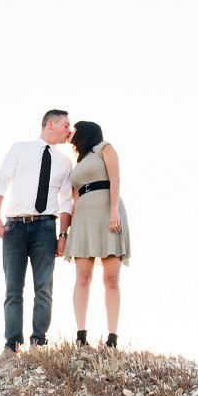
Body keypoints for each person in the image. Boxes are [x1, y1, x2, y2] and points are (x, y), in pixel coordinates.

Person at [0, 109, 74, 354]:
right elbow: (0, 181)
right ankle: (12, 345)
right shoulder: (20, 149)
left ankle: (38, 344)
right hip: (14, 226)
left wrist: (63, 234)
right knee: (13, 289)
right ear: (51, 124)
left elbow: (67, 201)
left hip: (46, 228)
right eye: (66, 125)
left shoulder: (65, 162)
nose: (69, 131)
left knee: (44, 288)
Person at [59, 119, 129, 348]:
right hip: (83, 219)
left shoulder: (105, 148)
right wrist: (68, 230)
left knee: (111, 279)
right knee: (83, 277)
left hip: (108, 211)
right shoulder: (77, 163)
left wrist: (113, 213)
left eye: (74, 129)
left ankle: (112, 338)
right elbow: (74, 198)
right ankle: (81, 336)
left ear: (86, 132)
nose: (71, 132)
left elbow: (115, 178)